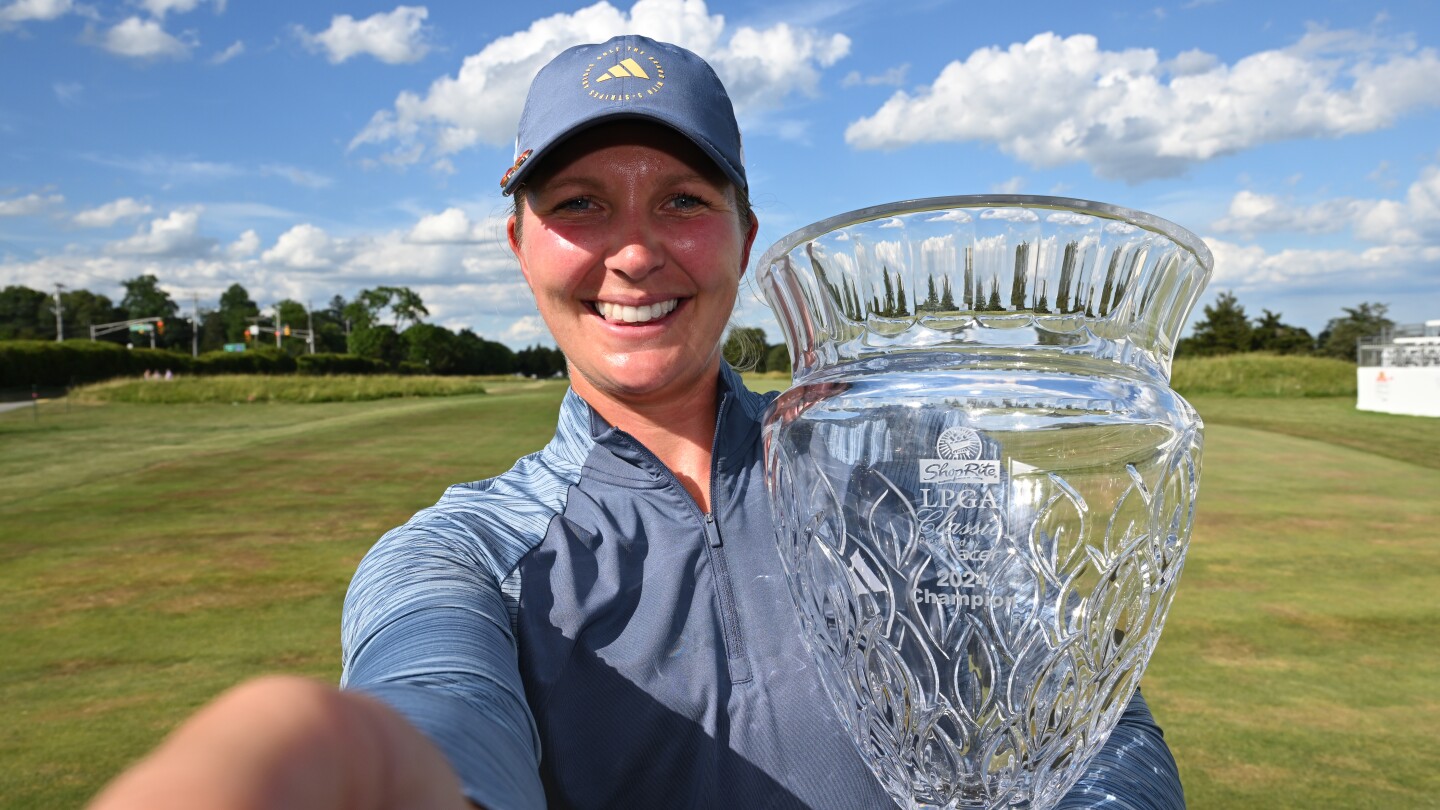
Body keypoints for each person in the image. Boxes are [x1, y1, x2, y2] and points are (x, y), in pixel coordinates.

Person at [90, 35, 1184, 810]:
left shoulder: (907, 473)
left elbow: (1094, 727)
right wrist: (377, 767)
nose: (633, 251)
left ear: (745, 237)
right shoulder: (464, 554)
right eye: (578, 205)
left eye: (681, 201)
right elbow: (433, 698)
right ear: (519, 244)